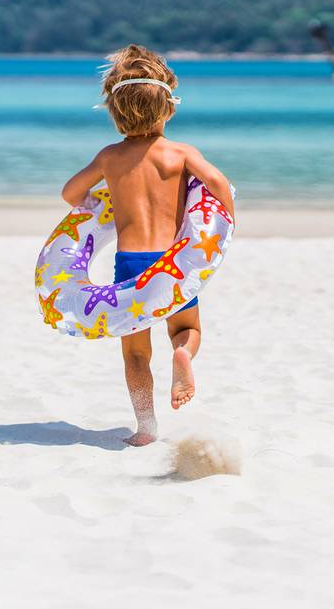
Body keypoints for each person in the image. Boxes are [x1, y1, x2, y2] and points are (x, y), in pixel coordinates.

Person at [60, 45, 234, 446]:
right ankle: (183, 356)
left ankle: (145, 428)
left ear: (115, 113)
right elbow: (218, 184)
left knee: (136, 353)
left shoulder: (110, 157)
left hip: (129, 262)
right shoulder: (180, 153)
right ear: (167, 109)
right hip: (173, 261)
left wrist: (100, 205)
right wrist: (224, 221)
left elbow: (70, 193)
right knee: (186, 327)